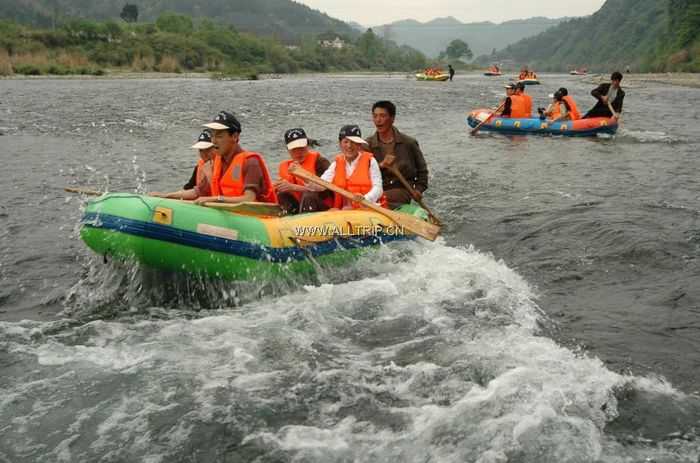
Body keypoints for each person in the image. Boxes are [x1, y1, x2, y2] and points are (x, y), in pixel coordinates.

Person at [193, 111, 277, 205]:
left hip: (258, 216)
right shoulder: (217, 162)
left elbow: (249, 199)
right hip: (228, 213)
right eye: (213, 136)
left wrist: (215, 199)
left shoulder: (250, 162)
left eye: (219, 136)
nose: (214, 141)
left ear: (234, 137)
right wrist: (173, 196)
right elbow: (198, 192)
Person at [366, 100, 429, 209]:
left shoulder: (409, 143)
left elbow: (422, 172)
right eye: (375, 116)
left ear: (392, 118)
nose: (378, 120)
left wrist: (418, 190)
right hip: (376, 189)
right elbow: (363, 171)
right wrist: (381, 165)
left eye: (382, 116)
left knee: (378, 198)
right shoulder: (368, 145)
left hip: (402, 190)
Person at [310, 125, 386, 209]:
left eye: (353, 142)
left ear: (359, 145)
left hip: (367, 207)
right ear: (340, 144)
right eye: (346, 142)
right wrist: (309, 181)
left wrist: (365, 198)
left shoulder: (370, 161)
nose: (349, 146)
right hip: (344, 210)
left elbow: (378, 188)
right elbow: (322, 184)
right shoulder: (336, 163)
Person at [275, 127, 333, 214]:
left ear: (307, 145)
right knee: (282, 195)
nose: (299, 152)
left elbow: (328, 191)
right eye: (294, 149)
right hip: (300, 205)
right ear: (288, 149)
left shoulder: (320, 162)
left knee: (308, 195)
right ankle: (286, 219)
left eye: (301, 148)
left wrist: (294, 187)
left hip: (322, 206)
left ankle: (305, 224)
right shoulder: (285, 166)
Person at [150, 130, 217, 200]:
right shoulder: (200, 166)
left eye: (208, 149)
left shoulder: (220, 165)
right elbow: (189, 189)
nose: (204, 154)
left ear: (216, 148)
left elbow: (197, 193)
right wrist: (166, 196)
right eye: (201, 150)